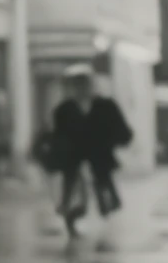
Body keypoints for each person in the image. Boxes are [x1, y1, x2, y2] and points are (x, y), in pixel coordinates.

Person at [52, 67, 133, 236]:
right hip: (73, 161)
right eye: (77, 86)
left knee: (108, 196)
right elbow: (59, 137)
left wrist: (112, 142)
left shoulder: (105, 106)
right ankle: (74, 216)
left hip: (99, 160)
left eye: (85, 85)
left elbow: (121, 130)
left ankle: (102, 209)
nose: (81, 89)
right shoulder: (64, 110)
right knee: (74, 192)